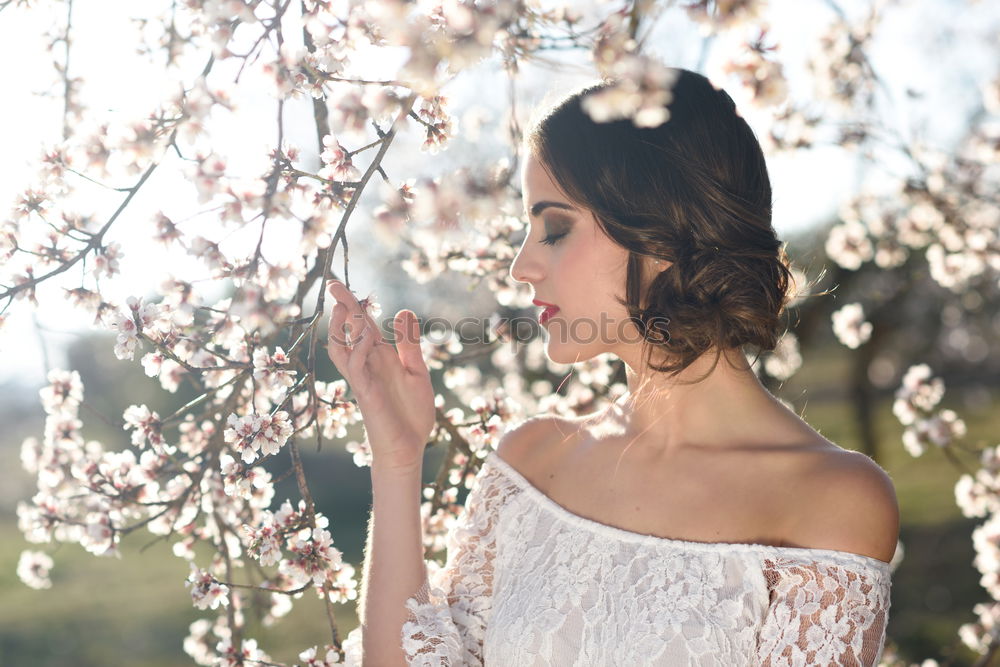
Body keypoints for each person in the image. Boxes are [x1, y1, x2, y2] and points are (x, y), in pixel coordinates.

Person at [329, 67, 899, 666]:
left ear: (660, 232)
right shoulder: (530, 463)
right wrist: (397, 458)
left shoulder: (831, 500)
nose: (521, 266)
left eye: (554, 227)